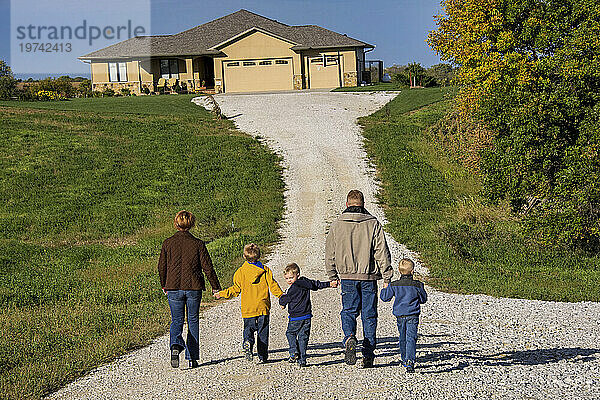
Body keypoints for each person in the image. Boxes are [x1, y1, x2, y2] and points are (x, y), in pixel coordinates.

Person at [325, 189, 393, 368]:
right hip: (369, 277)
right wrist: (387, 275)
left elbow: (330, 253)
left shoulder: (337, 224)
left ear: (347, 204)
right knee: (369, 315)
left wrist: (332, 275)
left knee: (348, 311)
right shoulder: (373, 223)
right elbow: (381, 252)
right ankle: (368, 355)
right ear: (363, 204)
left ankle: (349, 337)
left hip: (347, 277)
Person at [158, 210, 221, 369]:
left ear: (176, 223)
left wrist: (164, 284)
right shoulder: (198, 244)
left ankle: (175, 346)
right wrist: (215, 286)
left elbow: (161, 267)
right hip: (194, 287)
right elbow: (208, 268)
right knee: (193, 320)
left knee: (176, 320)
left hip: (173, 287)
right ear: (192, 224)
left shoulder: (167, 243)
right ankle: (192, 358)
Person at [214, 243, 283, 364]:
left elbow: (235, 289)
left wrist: (222, 293)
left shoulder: (240, 272)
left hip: (248, 307)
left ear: (244, 256)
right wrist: (282, 296)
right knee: (263, 331)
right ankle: (262, 356)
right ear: (259, 256)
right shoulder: (265, 270)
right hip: (263, 306)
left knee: (249, 328)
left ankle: (248, 342)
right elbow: (273, 285)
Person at [279, 263, 338, 367]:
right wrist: (329, 284)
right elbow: (316, 284)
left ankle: (293, 352)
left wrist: (282, 302)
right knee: (303, 338)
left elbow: (285, 299)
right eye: (287, 278)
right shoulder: (306, 282)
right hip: (307, 316)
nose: (289, 281)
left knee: (290, 333)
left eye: (291, 278)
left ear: (297, 275)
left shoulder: (293, 288)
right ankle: (302, 360)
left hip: (295, 317)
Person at [379, 258, 427, 373]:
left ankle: (404, 358)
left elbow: (385, 298)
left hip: (400, 314)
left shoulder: (395, 285)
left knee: (402, 337)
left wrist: (385, 287)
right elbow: (423, 299)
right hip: (413, 314)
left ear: (399, 271)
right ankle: (410, 360)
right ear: (412, 271)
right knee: (411, 337)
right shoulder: (417, 285)